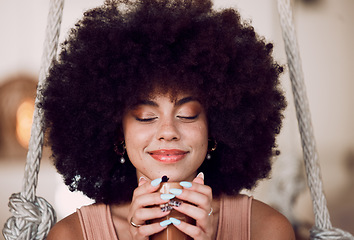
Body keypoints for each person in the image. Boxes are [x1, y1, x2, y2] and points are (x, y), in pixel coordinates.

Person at [41, 0, 295, 239]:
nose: (168, 131)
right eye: (145, 116)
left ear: (215, 126)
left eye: (187, 114)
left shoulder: (267, 229)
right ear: (119, 132)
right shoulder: (71, 235)